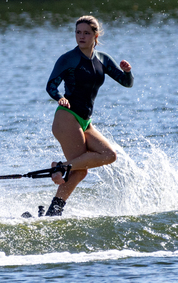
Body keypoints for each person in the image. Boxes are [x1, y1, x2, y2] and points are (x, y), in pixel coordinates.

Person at [44, 15, 134, 216]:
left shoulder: (102, 59)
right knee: (80, 169)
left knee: (109, 156)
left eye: (86, 33)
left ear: (96, 35)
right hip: (67, 116)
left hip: (85, 121)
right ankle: (54, 210)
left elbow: (126, 83)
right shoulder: (68, 58)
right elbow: (51, 85)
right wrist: (59, 97)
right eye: (78, 32)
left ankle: (58, 175)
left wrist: (127, 72)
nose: (81, 36)